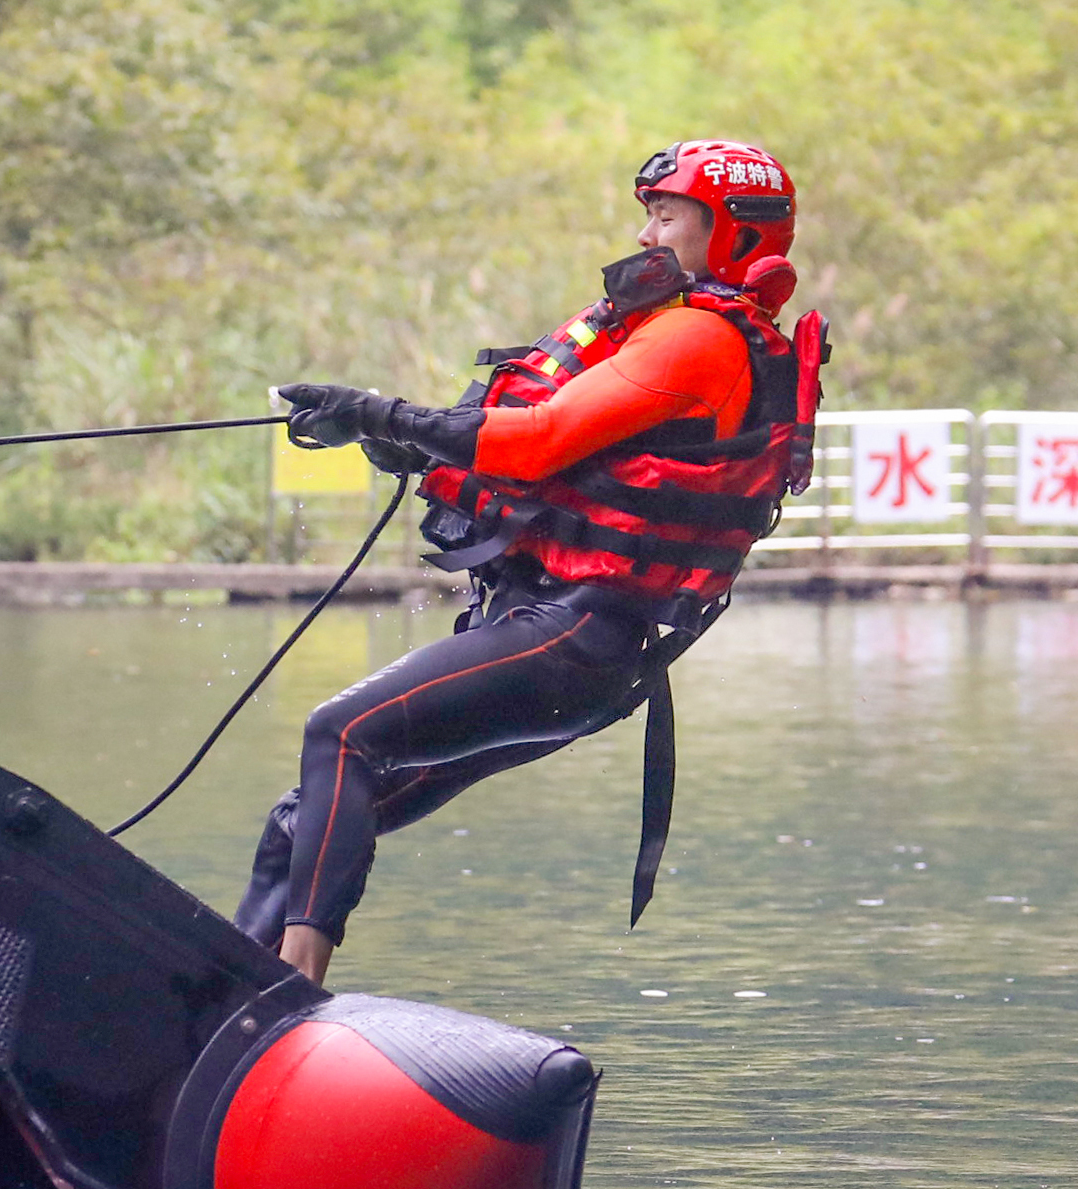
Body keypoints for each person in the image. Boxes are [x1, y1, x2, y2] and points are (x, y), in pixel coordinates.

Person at [240, 139, 823, 986]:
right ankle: (230, 994)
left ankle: (286, 996)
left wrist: (377, 409)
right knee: (305, 823)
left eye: (667, 216)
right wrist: (382, 439)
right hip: (566, 642)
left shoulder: (700, 338)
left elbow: (535, 440)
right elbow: (553, 468)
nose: (646, 234)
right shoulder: (681, 331)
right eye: (647, 213)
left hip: (574, 637)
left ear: (732, 233)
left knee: (339, 734)